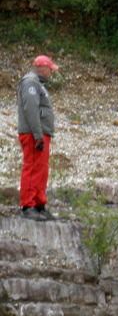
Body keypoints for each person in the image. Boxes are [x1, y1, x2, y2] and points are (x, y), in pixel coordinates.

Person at [17, 55, 59, 221]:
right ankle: (28, 206)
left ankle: (39, 204)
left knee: (41, 169)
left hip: (40, 133)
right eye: (50, 70)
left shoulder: (38, 84)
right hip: (33, 133)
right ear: (43, 69)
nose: (51, 73)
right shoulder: (30, 83)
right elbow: (31, 109)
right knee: (33, 167)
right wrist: (37, 134)